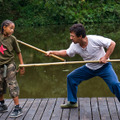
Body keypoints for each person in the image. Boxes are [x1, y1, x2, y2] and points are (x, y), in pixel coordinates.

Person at [46, 23, 120, 108]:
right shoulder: (74, 45)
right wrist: (52, 52)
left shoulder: (94, 39)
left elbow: (112, 44)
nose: (70, 38)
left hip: (104, 67)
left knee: (115, 84)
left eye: (72, 36)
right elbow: (67, 53)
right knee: (71, 77)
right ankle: (72, 102)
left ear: (80, 36)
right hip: (89, 68)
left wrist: (105, 57)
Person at [0, 20, 25, 117]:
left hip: (10, 65)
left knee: (12, 85)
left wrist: (22, 65)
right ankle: (2, 104)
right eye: (10, 28)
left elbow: (18, 52)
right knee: (0, 86)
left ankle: (17, 107)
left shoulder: (12, 39)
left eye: (13, 29)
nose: (12, 31)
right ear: (4, 27)